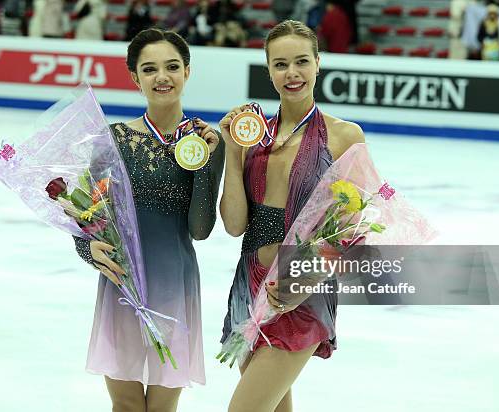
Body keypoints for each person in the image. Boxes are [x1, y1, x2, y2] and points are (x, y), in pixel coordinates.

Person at [73, 28, 225, 411]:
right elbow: (87, 216)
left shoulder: (204, 143)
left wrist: (206, 164)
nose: (163, 77)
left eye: (172, 67)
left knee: (161, 408)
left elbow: (201, 229)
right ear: (135, 78)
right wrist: (88, 248)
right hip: (123, 282)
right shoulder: (115, 140)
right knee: (125, 405)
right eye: (150, 68)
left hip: (174, 280)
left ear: (187, 72)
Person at [219, 20, 364, 412]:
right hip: (249, 284)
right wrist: (233, 154)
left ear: (318, 64)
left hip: (301, 290)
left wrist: (305, 279)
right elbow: (234, 225)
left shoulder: (344, 136)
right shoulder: (252, 137)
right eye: (280, 64)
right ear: (268, 70)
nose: (292, 73)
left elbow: (356, 228)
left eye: (302, 61)